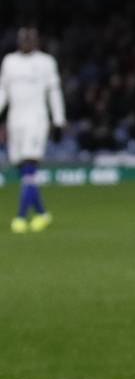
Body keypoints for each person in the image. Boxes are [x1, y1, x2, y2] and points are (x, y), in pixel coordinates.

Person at [1, 27, 66, 234]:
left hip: (36, 120)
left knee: (30, 166)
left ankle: (20, 217)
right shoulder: (9, 62)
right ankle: (41, 214)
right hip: (15, 120)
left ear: (37, 41)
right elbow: (2, 90)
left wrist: (58, 120)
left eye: (30, 39)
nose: (27, 42)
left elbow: (54, 92)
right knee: (21, 168)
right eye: (23, 39)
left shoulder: (46, 63)